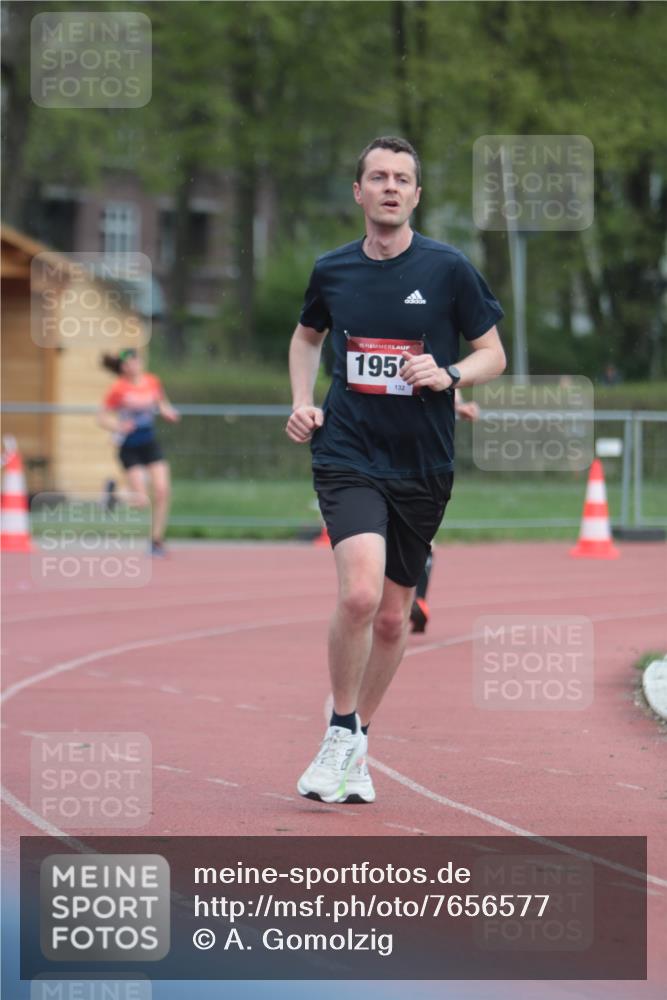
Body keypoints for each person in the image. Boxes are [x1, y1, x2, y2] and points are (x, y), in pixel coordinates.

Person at [285, 136, 506, 804]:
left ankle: (356, 741)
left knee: (391, 617)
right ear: (357, 192)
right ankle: (338, 728)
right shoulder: (333, 271)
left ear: (415, 195)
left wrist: (449, 373)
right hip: (348, 451)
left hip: (422, 462)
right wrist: (301, 403)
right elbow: (306, 337)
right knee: (358, 594)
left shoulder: (447, 269)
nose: (388, 187)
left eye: (401, 179)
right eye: (376, 177)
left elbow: (492, 352)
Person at [409, 389, 481, 633]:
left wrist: (458, 406)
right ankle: (416, 599)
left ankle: (412, 601)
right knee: (416, 536)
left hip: (420, 460)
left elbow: (445, 380)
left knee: (415, 535)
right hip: (401, 457)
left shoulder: (427, 356)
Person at [98, 348, 180, 556]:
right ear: (123, 367)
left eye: (136, 360)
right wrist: (118, 426)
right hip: (129, 446)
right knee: (142, 501)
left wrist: (168, 412)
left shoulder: (152, 381)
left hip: (149, 442)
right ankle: (113, 495)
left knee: (162, 491)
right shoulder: (118, 389)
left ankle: (156, 540)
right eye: (128, 363)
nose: (133, 365)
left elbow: (161, 402)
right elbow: (102, 418)